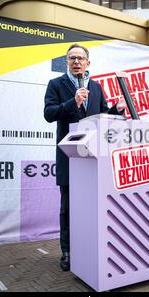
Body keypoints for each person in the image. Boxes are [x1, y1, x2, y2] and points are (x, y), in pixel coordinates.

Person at [43, 44, 126, 271]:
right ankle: (68, 253)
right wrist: (74, 102)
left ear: (88, 63)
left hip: (93, 159)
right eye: (72, 58)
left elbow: (102, 117)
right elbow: (49, 114)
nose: (76, 61)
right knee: (68, 209)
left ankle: (88, 249)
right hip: (69, 158)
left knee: (92, 207)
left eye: (80, 58)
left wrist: (116, 111)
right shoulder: (55, 85)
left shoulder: (97, 87)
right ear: (67, 62)